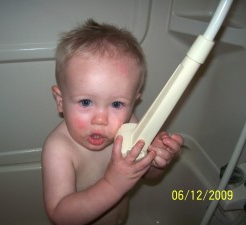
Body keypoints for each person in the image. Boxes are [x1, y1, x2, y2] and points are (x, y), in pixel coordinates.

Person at [42, 19, 184, 225]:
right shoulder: (59, 149)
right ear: (61, 101)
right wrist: (113, 185)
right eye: (86, 102)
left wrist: (155, 161)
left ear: (134, 101)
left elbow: (146, 175)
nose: (101, 119)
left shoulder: (129, 126)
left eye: (117, 104)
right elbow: (60, 215)